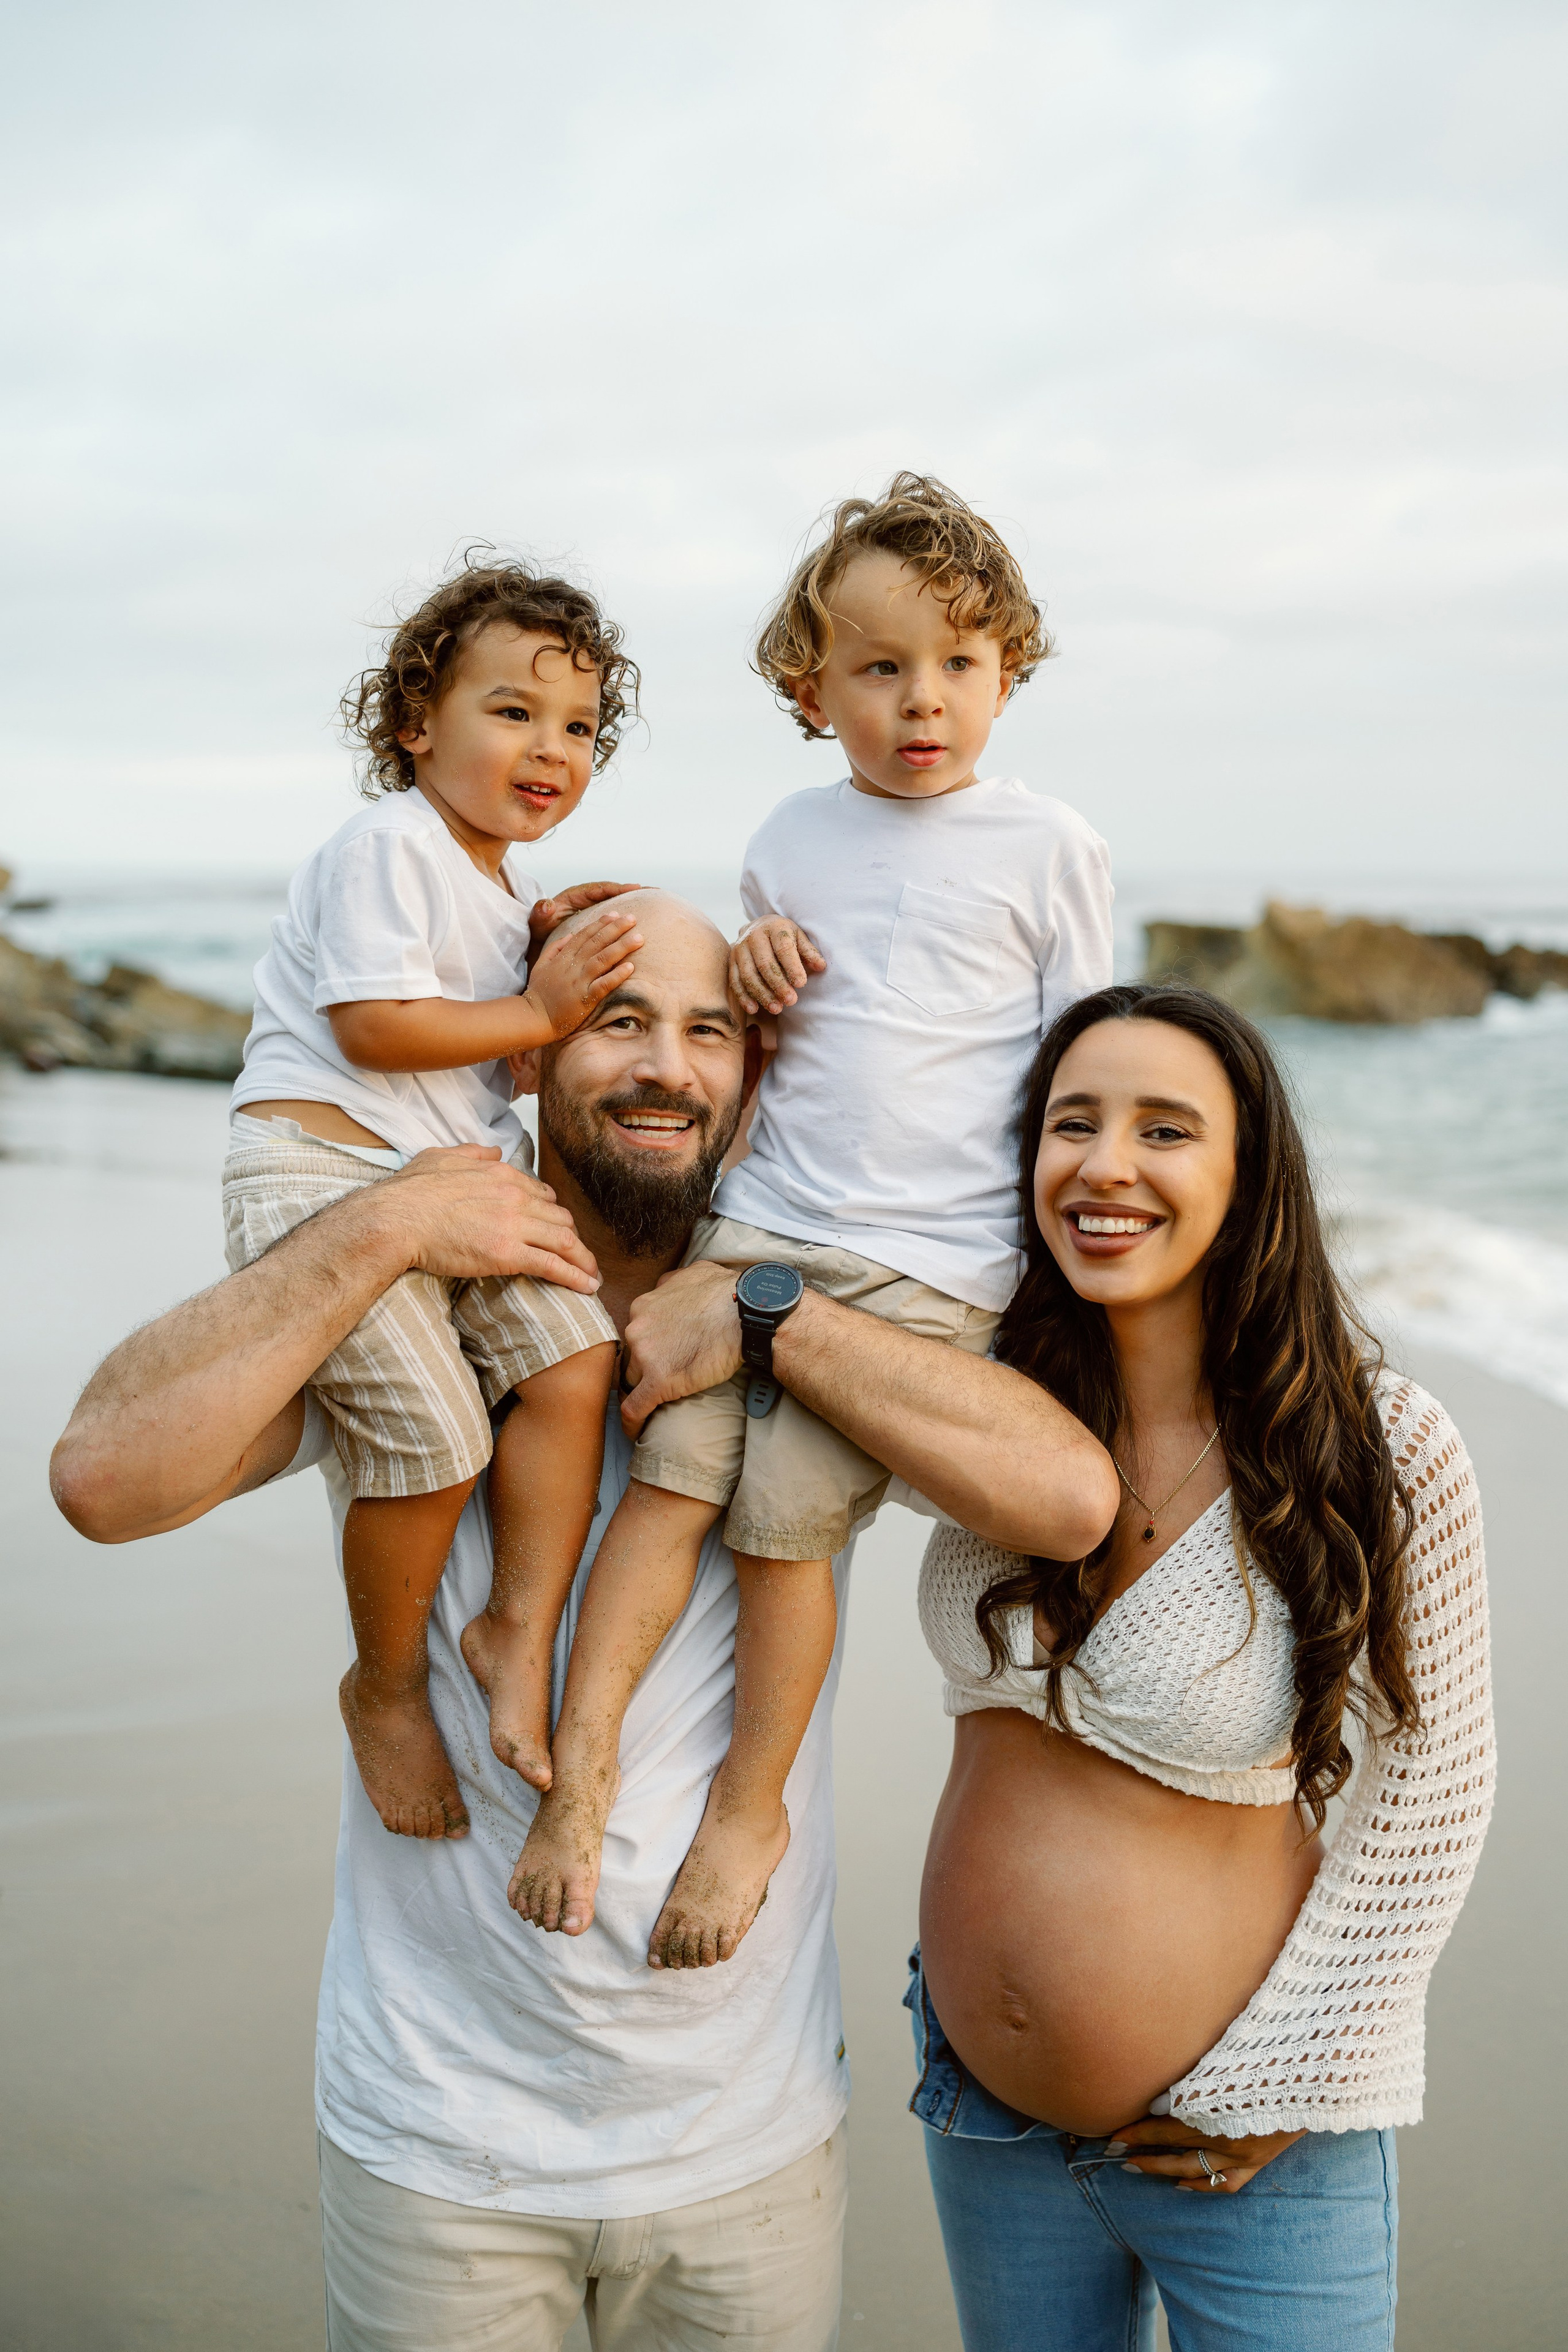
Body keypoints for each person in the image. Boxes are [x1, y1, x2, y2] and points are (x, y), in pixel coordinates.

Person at [50, 890, 1117, 2352]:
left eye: (710, 1031)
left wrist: (765, 1311)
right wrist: (380, 1223)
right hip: (437, 2143)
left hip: (741, 2138)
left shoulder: (809, 1308)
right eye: (618, 1020)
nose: (666, 1067)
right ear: (528, 1052)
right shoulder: (420, 1312)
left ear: (759, 1075)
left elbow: (1068, 1501)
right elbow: (107, 1479)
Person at [514, 472, 1114, 1973]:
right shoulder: (788, 833)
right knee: (663, 1483)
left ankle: (746, 1808)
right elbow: (765, 1018)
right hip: (765, 1223)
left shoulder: (1048, 847)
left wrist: (1070, 1287)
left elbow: (1082, 1059)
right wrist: (760, 950)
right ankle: (579, 1774)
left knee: (782, 1535)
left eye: (960, 667)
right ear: (810, 687)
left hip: (923, 1264)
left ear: (1006, 676)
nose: (924, 703)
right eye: (881, 667)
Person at [907, 984, 1495, 2351]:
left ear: (1246, 1178)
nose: (1103, 1165)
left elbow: (1436, 1786)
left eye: (1163, 1130)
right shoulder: (986, 1402)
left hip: (1251, 2146)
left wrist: (1297, 2070)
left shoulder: (1382, 1445)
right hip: (981, 2120)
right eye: (1070, 1124)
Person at [227, 555, 645, 1841]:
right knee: (433, 1435)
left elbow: (490, 1056)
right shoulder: (388, 846)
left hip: (452, 1185)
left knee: (577, 1361)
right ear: (416, 724)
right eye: (510, 710)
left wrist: (553, 989)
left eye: (577, 726)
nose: (550, 746)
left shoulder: (499, 886)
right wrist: (534, 1007)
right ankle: (387, 1685)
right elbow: (371, 1026)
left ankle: (515, 1622)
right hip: (326, 1175)